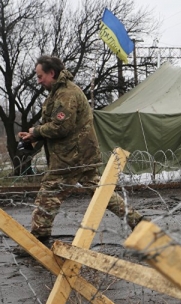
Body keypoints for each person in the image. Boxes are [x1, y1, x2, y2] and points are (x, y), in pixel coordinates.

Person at [16, 56, 145, 253]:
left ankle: (38, 240)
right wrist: (34, 137)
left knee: (48, 194)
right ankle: (139, 222)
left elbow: (62, 127)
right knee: (101, 193)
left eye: (40, 76)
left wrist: (36, 132)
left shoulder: (66, 94)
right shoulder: (59, 92)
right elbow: (58, 126)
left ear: (51, 73)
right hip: (77, 154)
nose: (39, 80)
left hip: (71, 157)